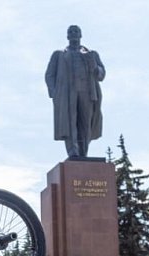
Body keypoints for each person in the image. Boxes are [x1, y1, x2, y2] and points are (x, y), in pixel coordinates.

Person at [45, 25, 106, 159]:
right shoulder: (59, 55)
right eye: (71, 31)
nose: (73, 33)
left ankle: (83, 153)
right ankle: (73, 152)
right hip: (67, 93)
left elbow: (101, 74)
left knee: (86, 123)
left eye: (76, 31)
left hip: (88, 93)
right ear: (67, 36)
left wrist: (95, 68)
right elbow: (49, 74)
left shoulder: (91, 54)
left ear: (80, 35)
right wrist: (54, 93)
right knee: (70, 122)